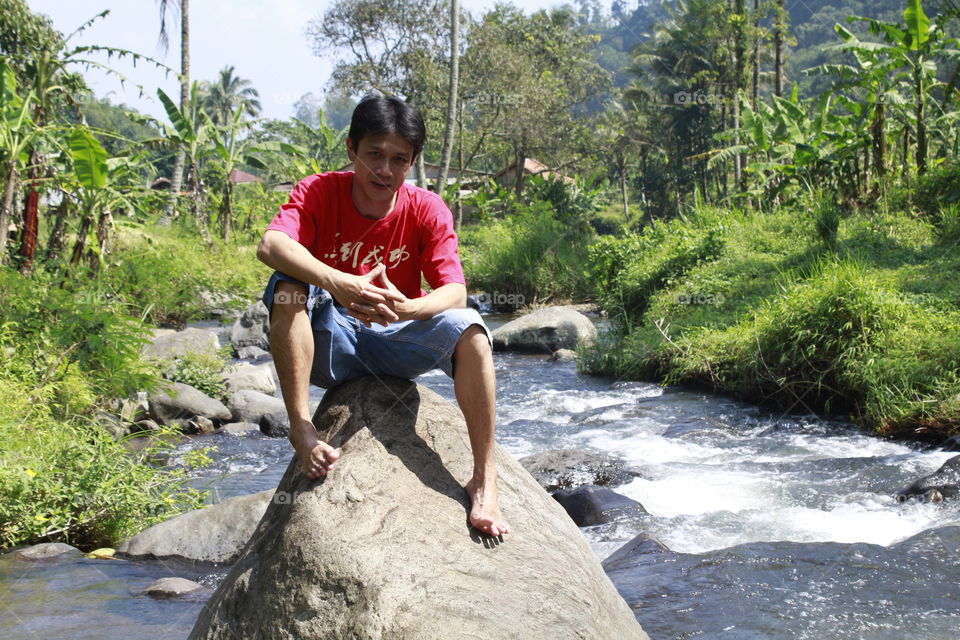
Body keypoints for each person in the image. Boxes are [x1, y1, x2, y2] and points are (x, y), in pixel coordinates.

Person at [256, 94, 510, 537]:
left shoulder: (427, 208)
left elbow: (455, 290)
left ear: (411, 162)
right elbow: (271, 245)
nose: (385, 170)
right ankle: (302, 429)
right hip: (329, 340)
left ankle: (484, 481)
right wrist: (338, 283)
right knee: (287, 286)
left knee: (471, 328)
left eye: (399, 159)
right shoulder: (317, 191)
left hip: (396, 338)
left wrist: (411, 308)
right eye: (374, 154)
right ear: (352, 149)